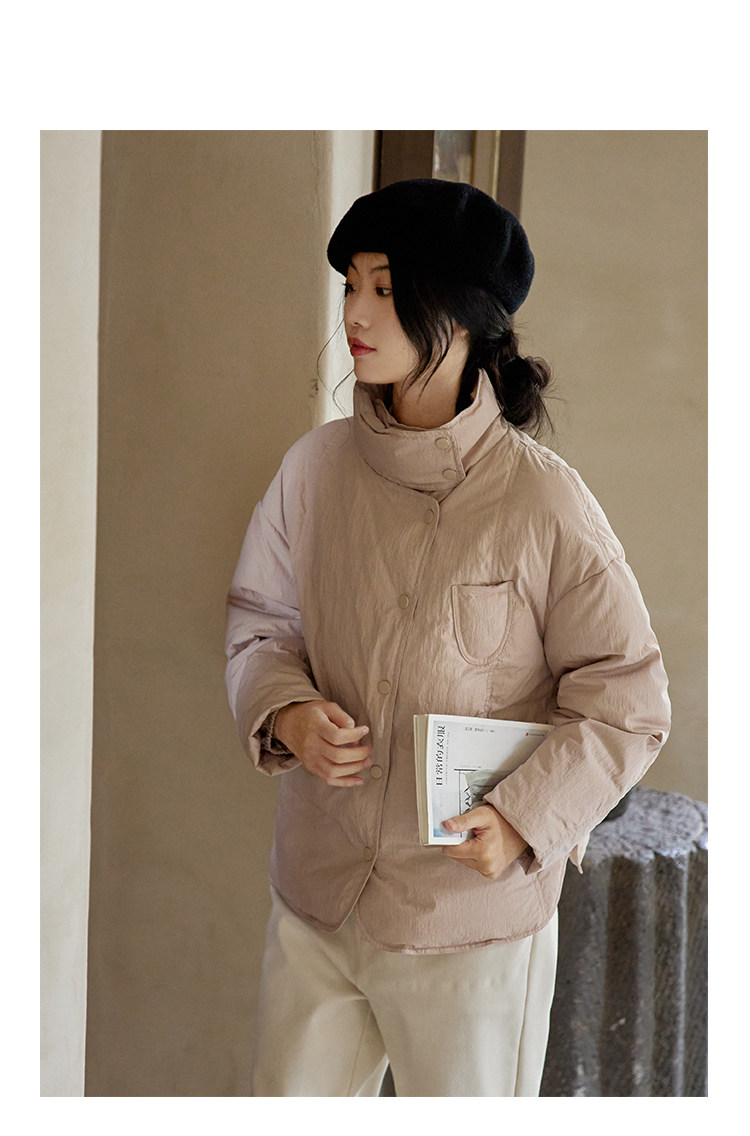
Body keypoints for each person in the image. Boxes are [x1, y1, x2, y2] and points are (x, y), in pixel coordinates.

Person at [224, 178, 671, 1097]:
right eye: (351, 284)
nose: (354, 312)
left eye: (386, 289)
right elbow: (260, 620)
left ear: (463, 316)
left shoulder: (545, 503)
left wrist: (523, 820)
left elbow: (628, 701)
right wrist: (287, 711)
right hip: (318, 899)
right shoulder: (314, 471)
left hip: (469, 922)